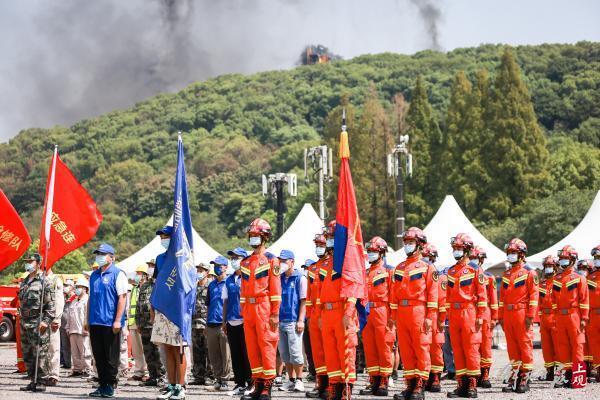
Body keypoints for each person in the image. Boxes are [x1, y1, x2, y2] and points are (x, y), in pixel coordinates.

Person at [390, 227, 438, 400]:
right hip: (402, 312)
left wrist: (430, 318)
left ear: (419, 245)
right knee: (406, 350)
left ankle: (419, 385)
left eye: (410, 243)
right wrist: (393, 317)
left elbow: (433, 295)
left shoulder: (428, 268)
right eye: (406, 243)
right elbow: (394, 293)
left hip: (419, 311)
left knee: (421, 348)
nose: (407, 246)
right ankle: (409, 385)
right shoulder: (399, 267)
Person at [240, 218, 281, 400]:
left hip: (264, 307)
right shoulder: (245, 262)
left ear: (264, 237)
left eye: (256, 235)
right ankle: (256, 384)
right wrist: (243, 310)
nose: (253, 238)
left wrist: (275, 313)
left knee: (267, 346)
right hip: (248, 309)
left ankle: (267, 387)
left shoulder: (272, 260)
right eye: (251, 235)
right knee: (252, 348)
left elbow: (276, 290)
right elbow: (242, 289)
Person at [317, 220, 358, 400]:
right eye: (329, 237)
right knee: (331, 353)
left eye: (332, 237)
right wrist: (319, 314)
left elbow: (353, 289)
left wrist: (349, 313)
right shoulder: (326, 264)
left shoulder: (348, 262)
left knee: (345, 352)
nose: (329, 240)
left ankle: (346, 389)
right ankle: (335, 386)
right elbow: (321, 292)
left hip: (342, 312)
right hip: (327, 314)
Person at [445, 233, 487, 398]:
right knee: (457, 349)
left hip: (469, 311)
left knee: (471, 348)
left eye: (459, 248)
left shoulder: (475, 269)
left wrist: (480, 316)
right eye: (454, 248)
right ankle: (461, 384)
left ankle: (472, 385)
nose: (456, 251)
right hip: (454, 314)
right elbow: (448, 295)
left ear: (468, 249)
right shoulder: (451, 270)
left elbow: (482, 296)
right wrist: (447, 315)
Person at [151, 225, 189, 400]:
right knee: (167, 350)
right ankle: (171, 385)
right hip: (162, 309)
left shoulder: (182, 257)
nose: (163, 239)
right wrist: (153, 307)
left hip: (177, 310)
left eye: (166, 236)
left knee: (178, 350)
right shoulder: (159, 259)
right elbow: (157, 284)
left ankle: (181, 387)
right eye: (161, 237)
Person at [87, 243, 128, 398]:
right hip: (95, 322)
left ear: (112, 257)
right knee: (99, 356)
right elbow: (91, 298)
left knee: (111, 356)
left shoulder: (118, 274)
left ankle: (110, 385)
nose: (99, 257)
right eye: (98, 254)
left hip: (110, 323)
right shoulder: (94, 275)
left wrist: (118, 320)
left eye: (102, 254)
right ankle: (102, 384)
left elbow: (122, 298)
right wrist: (87, 319)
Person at [498, 238, 538, 394]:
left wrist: (530, 316)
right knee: (512, 347)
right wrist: (500, 316)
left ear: (521, 254)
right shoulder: (507, 273)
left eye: (513, 253)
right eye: (509, 253)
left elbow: (534, 296)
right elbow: (502, 297)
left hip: (522, 313)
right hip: (508, 314)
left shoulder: (530, 272)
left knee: (524, 345)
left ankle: (525, 378)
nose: (510, 255)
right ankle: (515, 375)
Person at [359, 236, 393, 397]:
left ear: (381, 253)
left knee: (384, 346)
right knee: (370, 348)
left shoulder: (389, 271)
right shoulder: (365, 272)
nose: (370, 254)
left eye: (374, 251)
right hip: (366, 312)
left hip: (382, 311)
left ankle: (384, 380)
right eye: (369, 251)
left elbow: (394, 295)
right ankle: (374, 379)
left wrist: (393, 317)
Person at [552, 244, 589, 389]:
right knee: (563, 346)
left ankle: (578, 378)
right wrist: (555, 316)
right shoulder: (557, 278)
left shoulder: (580, 277)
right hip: (560, 316)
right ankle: (567, 377)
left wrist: (584, 318)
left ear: (572, 260)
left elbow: (584, 299)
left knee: (577, 346)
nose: (562, 261)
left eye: (565, 258)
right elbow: (554, 300)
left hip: (574, 315)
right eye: (561, 258)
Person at [18, 253, 56, 392]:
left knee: (40, 353)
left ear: (38, 263)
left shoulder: (44, 281)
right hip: (25, 322)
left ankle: (41, 381)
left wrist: (46, 321)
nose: (28, 264)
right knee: (28, 353)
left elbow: (51, 305)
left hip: (37, 321)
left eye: (31, 261)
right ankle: (32, 380)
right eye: (27, 261)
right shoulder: (25, 280)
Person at [277, 249, 308, 393]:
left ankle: (300, 380)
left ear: (292, 262)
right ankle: (291, 380)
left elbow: (303, 301)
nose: (282, 263)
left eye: (285, 261)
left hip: (294, 321)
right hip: (280, 320)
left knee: (296, 353)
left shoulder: (300, 278)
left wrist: (301, 320)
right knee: (285, 354)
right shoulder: (279, 277)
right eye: (280, 260)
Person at [224, 248, 253, 394]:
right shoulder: (228, 279)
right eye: (232, 258)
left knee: (247, 354)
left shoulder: (249, 277)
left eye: (237, 257)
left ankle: (251, 383)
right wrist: (224, 321)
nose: (234, 260)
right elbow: (226, 301)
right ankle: (239, 383)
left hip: (245, 321)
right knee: (235, 354)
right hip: (231, 321)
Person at [470, 246, 498, 389]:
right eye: (472, 257)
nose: (474, 260)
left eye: (476, 258)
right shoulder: (466, 274)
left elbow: (493, 299)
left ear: (481, 260)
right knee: (473, 344)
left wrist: (494, 317)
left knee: (485, 345)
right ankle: (474, 375)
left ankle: (485, 373)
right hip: (470, 312)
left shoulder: (489, 277)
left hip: (485, 312)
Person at [305, 234, 329, 400]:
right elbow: (308, 295)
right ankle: (320, 383)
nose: (318, 247)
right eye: (317, 244)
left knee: (329, 350)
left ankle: (330, 385)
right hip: (313, 314)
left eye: (321, 244)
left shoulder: (332, 266)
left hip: (327, 312)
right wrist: (307, 317)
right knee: (317, 352)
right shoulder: (312, 268)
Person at [136, 259, 166, 387]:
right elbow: (139, 304)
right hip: (144, 324)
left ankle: (162, 377)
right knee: (148, 352)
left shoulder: (162, 284)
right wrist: (138, 322)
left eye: (152, 266)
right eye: (148, 265)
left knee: (159, 352)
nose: (150, 268)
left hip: (157, 325)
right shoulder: (144, 285)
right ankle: (153, 376)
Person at [422, 243, 446, 393]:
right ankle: (425, 376)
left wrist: (442, 319)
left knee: (435, 347)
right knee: (422, 347)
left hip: (435, 316)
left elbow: (442, 300)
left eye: (427, 257)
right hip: (421, 314)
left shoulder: (438, 275)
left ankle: (435, 376)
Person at [206, 255, 231, 391]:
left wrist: (226, 322)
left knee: (225, 354)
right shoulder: (211, 284)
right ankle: (218, 379)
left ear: (226, 267)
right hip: (211, 323)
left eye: (219, 265)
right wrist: (206, 324)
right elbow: (208, 305)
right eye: (214, 265)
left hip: (224, 324)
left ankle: (225, 380)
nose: (216, 268)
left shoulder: (229, 283)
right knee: (214, 354)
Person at [539, 255, 560, 381]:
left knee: (558, 345)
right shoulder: (542, 284)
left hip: (555, 316)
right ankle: (549, 371)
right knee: (546, 347)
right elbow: (539, 302)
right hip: (544, 318)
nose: (548, 268)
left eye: (550, 266)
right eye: (546, 266)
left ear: (555, 267)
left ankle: (559, 371)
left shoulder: (559, 282)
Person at [66, 278, 93, 377]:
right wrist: (68, 327)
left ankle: (87, 369)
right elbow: (69, 315)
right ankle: (77, 369)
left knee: (85, 351)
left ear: (85, 289)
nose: (77, 289)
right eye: (76, 287)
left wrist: (87, 328)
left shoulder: (87, 300)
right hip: (73, 329)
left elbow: (88, 315)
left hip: (82, 330)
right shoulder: (74, 301)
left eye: (79, 287)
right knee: (75, 352)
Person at [190, 263, 211, 386]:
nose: (198, 272)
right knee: (197, 352)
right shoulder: (193, 287)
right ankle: (199, 376)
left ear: (207, 272)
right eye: (197, 270)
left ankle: (210, 376)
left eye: (201, 270)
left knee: (209, 352)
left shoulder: (210, 286)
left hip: (206, 324)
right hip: (194, 324)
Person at [128, 265, 148, 381]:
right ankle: (139, 371)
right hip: (133, 323)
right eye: (137, 273)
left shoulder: (148, 287)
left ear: (145, 275)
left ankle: (147, 371)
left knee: (146, 349)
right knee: (136, 350)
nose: (137, 275)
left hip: (144, 323)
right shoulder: (135, 288)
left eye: (140, 273)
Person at [45, 267, 64, 386]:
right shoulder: (39, 279)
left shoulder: (56, 280)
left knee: (53, 347)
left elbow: (59, 300)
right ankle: (43, 373)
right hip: (40, 319)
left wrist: (57, 318)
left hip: (52, 318)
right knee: (42, 348)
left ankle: (53, 375)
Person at [577, 259, 594, 378]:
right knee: (584, 343)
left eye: (585, 269)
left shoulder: (593, 281)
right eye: (581, 269)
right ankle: (586, 367)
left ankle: (593, 367)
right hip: (581, 316)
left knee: (593, 342)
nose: (583, 271)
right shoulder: (578, 282)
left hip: (593, 314)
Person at [589, 245, 600, 380]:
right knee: (595, 343)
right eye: (596, 257)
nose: (597, 260)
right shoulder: (590, 277)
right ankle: (598, 370)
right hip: (593, 315)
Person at [60, 279, 75, 370]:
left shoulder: (76, 297)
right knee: (64, 345)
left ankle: (76, 365)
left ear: (72, 287)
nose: (66, 287)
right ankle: (67, 363)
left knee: (74, 346)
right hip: (63, 324)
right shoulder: (63, 297)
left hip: (73, 325)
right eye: (65, 285)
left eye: (68, 285)